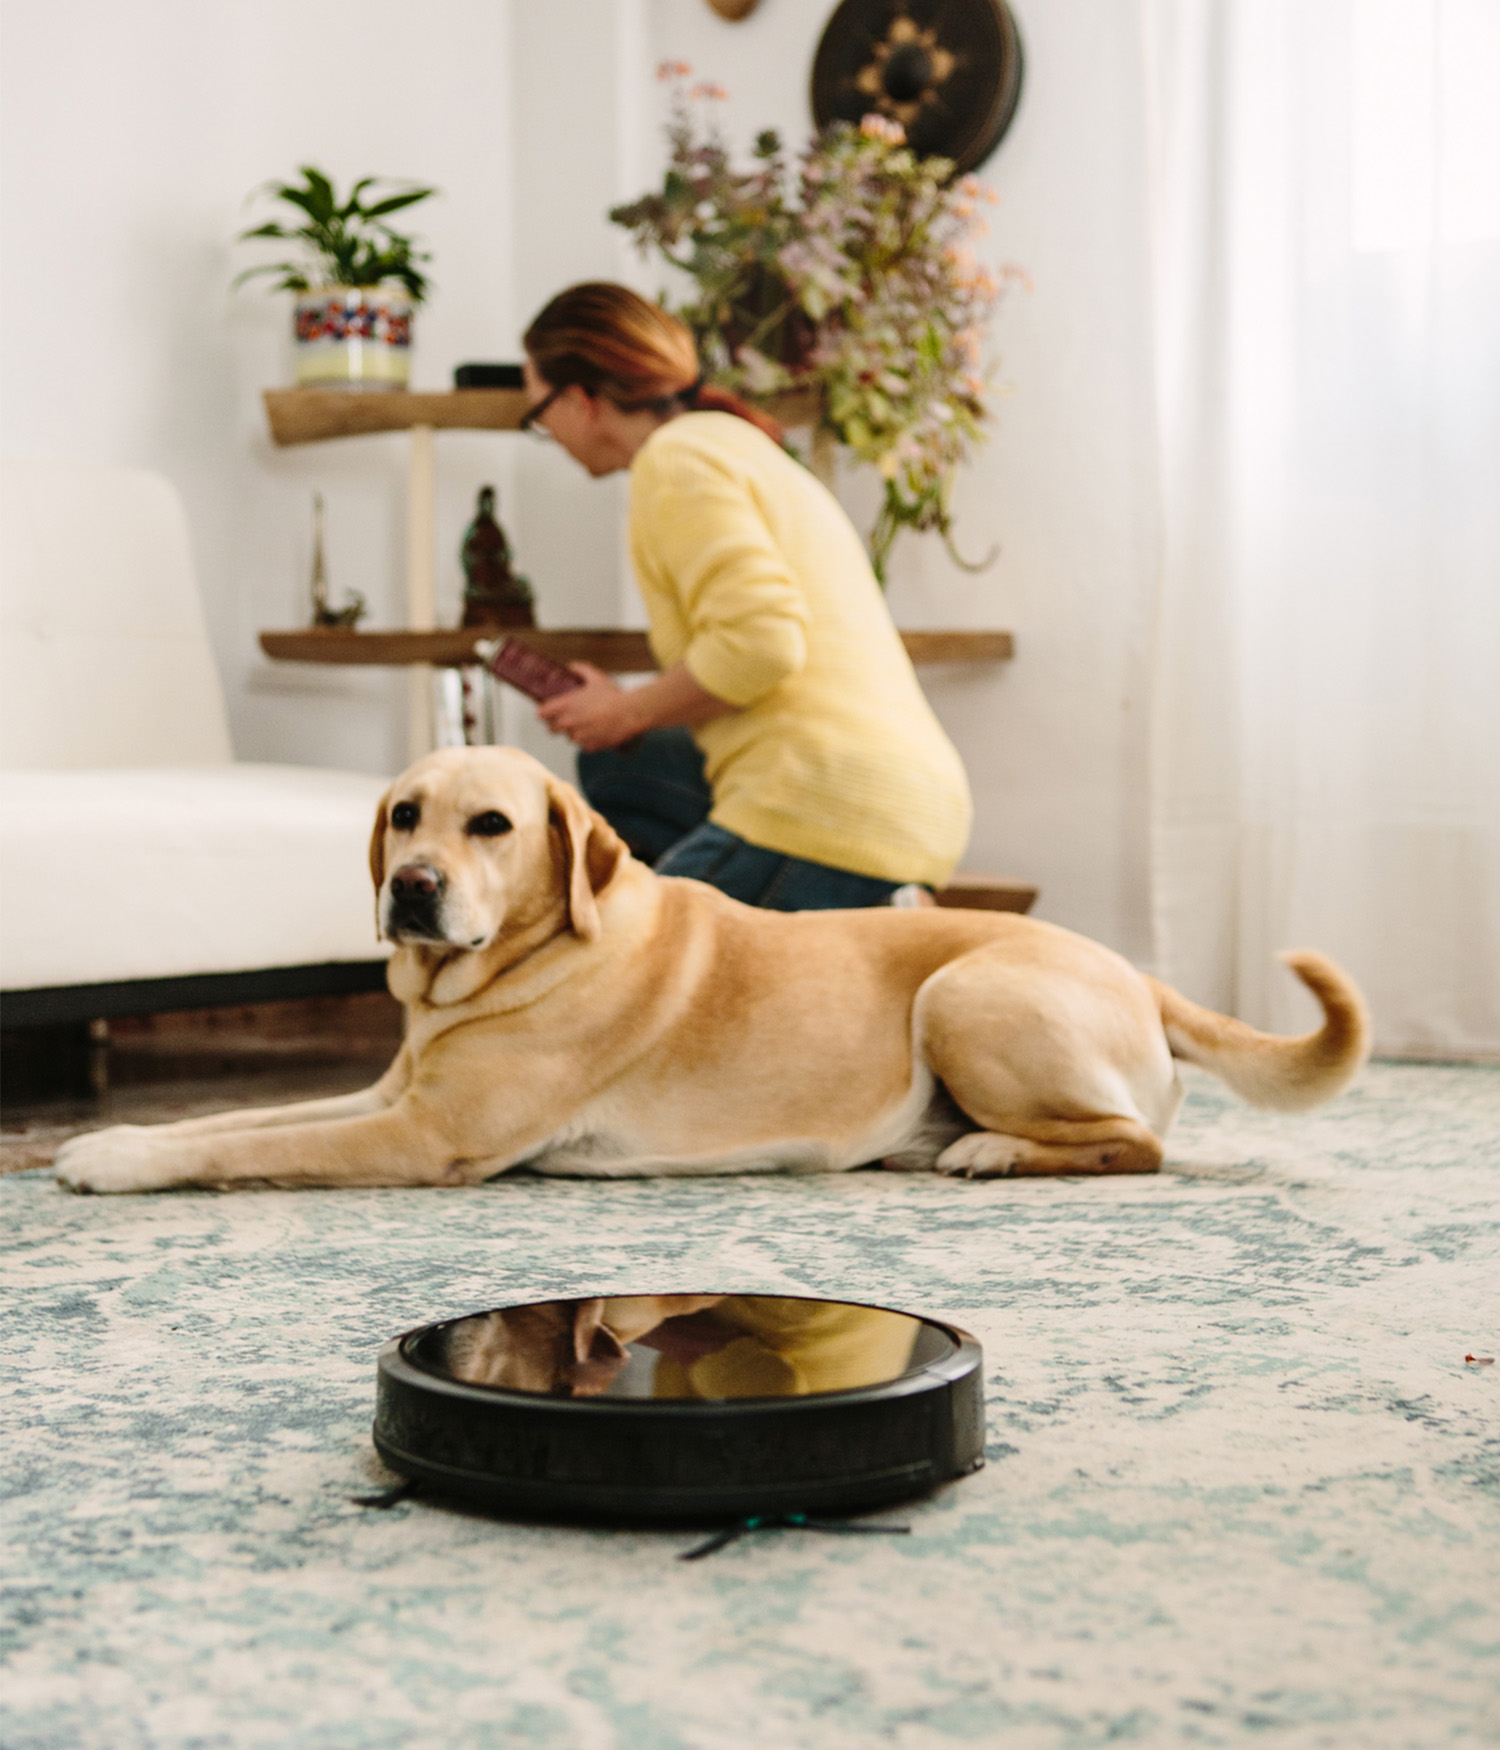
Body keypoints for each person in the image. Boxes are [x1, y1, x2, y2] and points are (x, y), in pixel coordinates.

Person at [519, 281, 972, 910]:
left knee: (625, 973)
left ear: (579, 399)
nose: (548, 432)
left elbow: (762, 642)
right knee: (621, 767)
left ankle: (841, 902)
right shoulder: (737, 445)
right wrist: (626, 713)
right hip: (907, 795)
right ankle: (871, 906)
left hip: (825, 798)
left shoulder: (674, 461)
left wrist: (629, 710)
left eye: (538, 414)